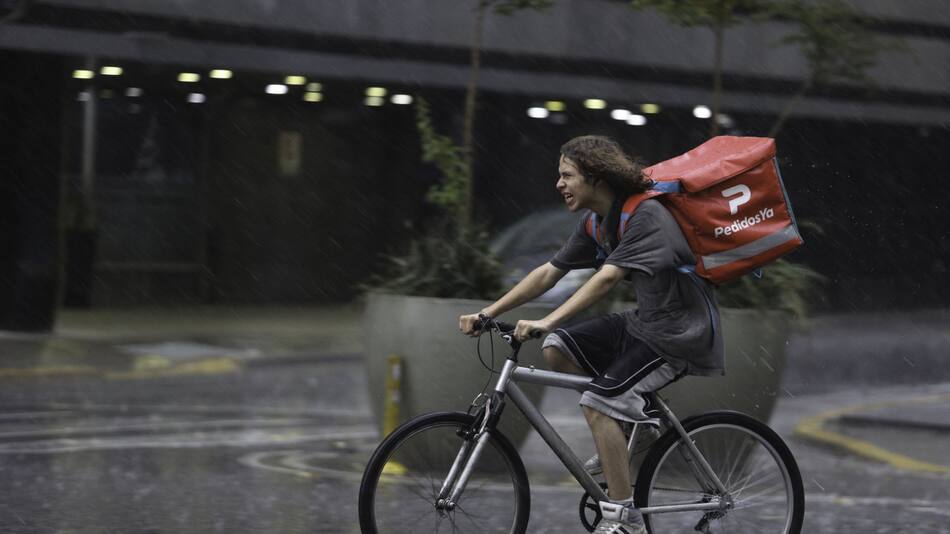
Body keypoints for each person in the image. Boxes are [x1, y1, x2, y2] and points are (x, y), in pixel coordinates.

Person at [459, 135, 723, 534]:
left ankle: (625, 519)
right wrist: (488, 312)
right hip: (643, 323)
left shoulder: (646, 216)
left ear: (597, 179)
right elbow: (549, 272)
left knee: (598, 402)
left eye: (567, 175)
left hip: (678, 333)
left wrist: (548, 318)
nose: (559, 184)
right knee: (557, 347)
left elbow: (607, 279)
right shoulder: (598, 221)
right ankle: (637, 422)